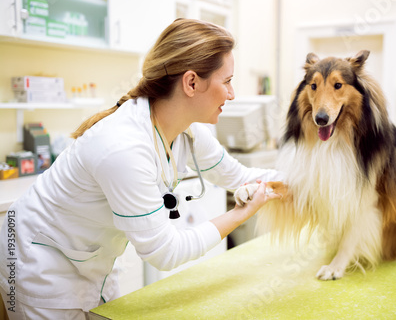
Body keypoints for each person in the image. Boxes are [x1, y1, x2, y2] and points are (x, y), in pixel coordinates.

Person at [0, 18, 282, 319]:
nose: (232, 93)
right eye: (226, 81)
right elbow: (165, 252)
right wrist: (242, 213)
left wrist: (304, 181)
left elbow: (239, 176)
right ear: (191, 82)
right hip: (38, 265)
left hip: (91, 263)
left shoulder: (187, 131)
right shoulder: (123, 147)